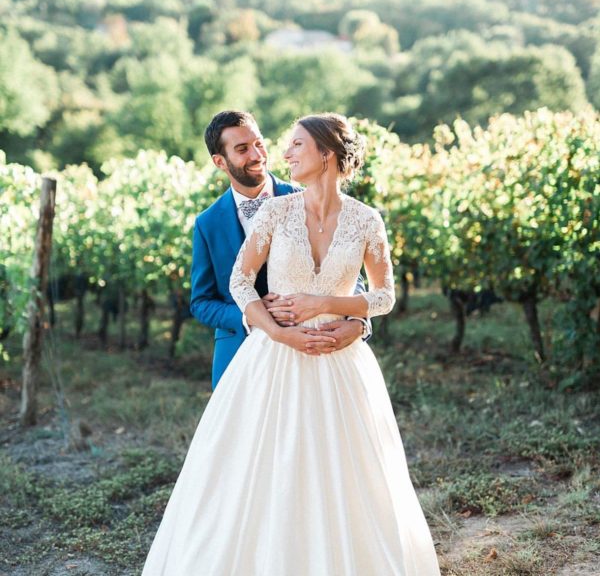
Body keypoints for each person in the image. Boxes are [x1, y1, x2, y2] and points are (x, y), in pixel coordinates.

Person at [142, 113, 441, 575]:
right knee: (250, 473)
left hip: (338, 362)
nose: (269, 154)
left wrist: (344, 317)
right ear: (222, 161)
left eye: (282, 144)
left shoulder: (363, 218)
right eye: (245, 149)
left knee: (341, 471)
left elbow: (381, 294)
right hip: (265, 359)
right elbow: (225, 289)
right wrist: (274, 327)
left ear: (326, 153)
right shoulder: (239, 218)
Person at [189, 110, 369, 389]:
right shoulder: (207, 224)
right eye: (242, 149)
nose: (257, 154)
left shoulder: (307, 196)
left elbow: (348, 271)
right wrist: (253, 315)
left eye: (259, 143)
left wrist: (359, 322)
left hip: (313, 349)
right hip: (238, 350)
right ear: (220, 162)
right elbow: (201, 302)